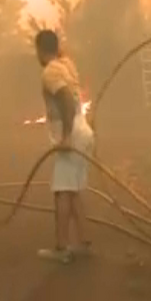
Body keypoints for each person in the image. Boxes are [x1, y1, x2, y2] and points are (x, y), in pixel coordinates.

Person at [34, 29, 95, 263]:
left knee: (61, 191)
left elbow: (67, 101)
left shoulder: (50, 73)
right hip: (84, 131)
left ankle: (61, 248)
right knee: (73, 189)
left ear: (40, 50)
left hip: (73, 135)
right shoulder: (66, 65)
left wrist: (66, 136)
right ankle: (84, 242)